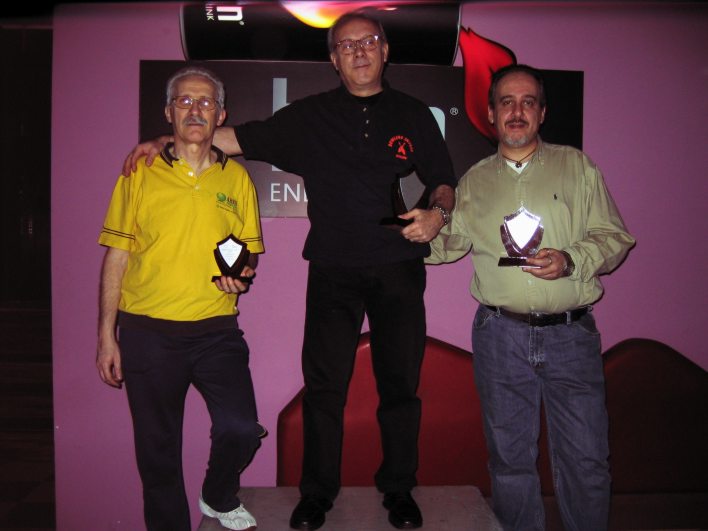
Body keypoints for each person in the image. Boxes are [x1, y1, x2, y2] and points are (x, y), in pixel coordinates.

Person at [123, 12, 456, 530]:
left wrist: (437, 214)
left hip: (399, 269)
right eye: (346, 45)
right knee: (324, 388)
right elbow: (235, 138)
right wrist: (167, 142)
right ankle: (317, 494)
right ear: (334, 59)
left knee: (400, 386)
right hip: (332, 270)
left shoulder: (413, 114)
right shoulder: (311, 116)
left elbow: (444, 182)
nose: (359, 51)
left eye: (369, 41)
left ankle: (398, 489)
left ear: (385, 50)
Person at [427, 63, 636, 530]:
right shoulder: (474, 181)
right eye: (507, 102)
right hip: (499, 335)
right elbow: (448, 245)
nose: (517, 111)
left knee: (587, 460)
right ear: (491, 113)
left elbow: (615, 238)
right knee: (509, 462)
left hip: (571, 336)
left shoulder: (577, 167)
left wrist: (571, 259)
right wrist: (405, 238)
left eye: (527, 102)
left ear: (542, 113)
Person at [97, 66, 265, 531]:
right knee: (158, 456)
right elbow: (116, 256)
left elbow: (248, 252)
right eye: (184, 101)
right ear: (168, 112)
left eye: (205, 102)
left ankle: (217, 494)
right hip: (146, 332)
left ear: (220, 115)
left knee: (240, 428)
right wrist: (107, 336)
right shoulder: (139, 172)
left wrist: (243, 273)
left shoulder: (237, 180)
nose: (195, 109)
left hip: (216, 330)